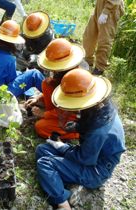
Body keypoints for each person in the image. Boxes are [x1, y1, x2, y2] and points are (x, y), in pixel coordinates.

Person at [36, 69, 126, 210]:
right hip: (90, 156)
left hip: (96, 170)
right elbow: (88, 124)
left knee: (44, 163)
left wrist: (61, 147)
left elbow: (85, 158)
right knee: (42, 149)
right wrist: (77, 127)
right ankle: (65, 181)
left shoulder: (99, 130)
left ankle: (63, 203)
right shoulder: (98, 108)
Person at [25, 38, 86, 140]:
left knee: (40, 127)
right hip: (62, 111)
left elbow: (68, 110)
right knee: (46, 84)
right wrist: (38, 99)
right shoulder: (60, 75)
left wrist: (44, 114)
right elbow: (55, 94)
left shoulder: (75, 79)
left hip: (75, 118)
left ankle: (76, 134)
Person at [0, 20, 45, 97]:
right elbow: (11, 80)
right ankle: (50, 97)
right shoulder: (9, 59)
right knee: (34, 74)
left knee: (19, 73)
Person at [82, 0, 124, 75]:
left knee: (104, 40)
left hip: (111, 9)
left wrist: (106, 11)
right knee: (89, 35)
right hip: (99, 5)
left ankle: (99, 68)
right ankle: (88, 61)